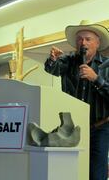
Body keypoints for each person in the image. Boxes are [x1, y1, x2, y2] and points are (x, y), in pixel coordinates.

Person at [44, 20, 109, 180]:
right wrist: (52, 59)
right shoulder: (69, 61)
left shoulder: (107, 66)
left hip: (99, 129)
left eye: (88, 39)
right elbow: (52, 69)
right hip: (72, 128)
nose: (83, 42)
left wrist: (96, 79)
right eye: (80, 39)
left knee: (96, 174)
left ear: (98, 42)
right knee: (72, 172)